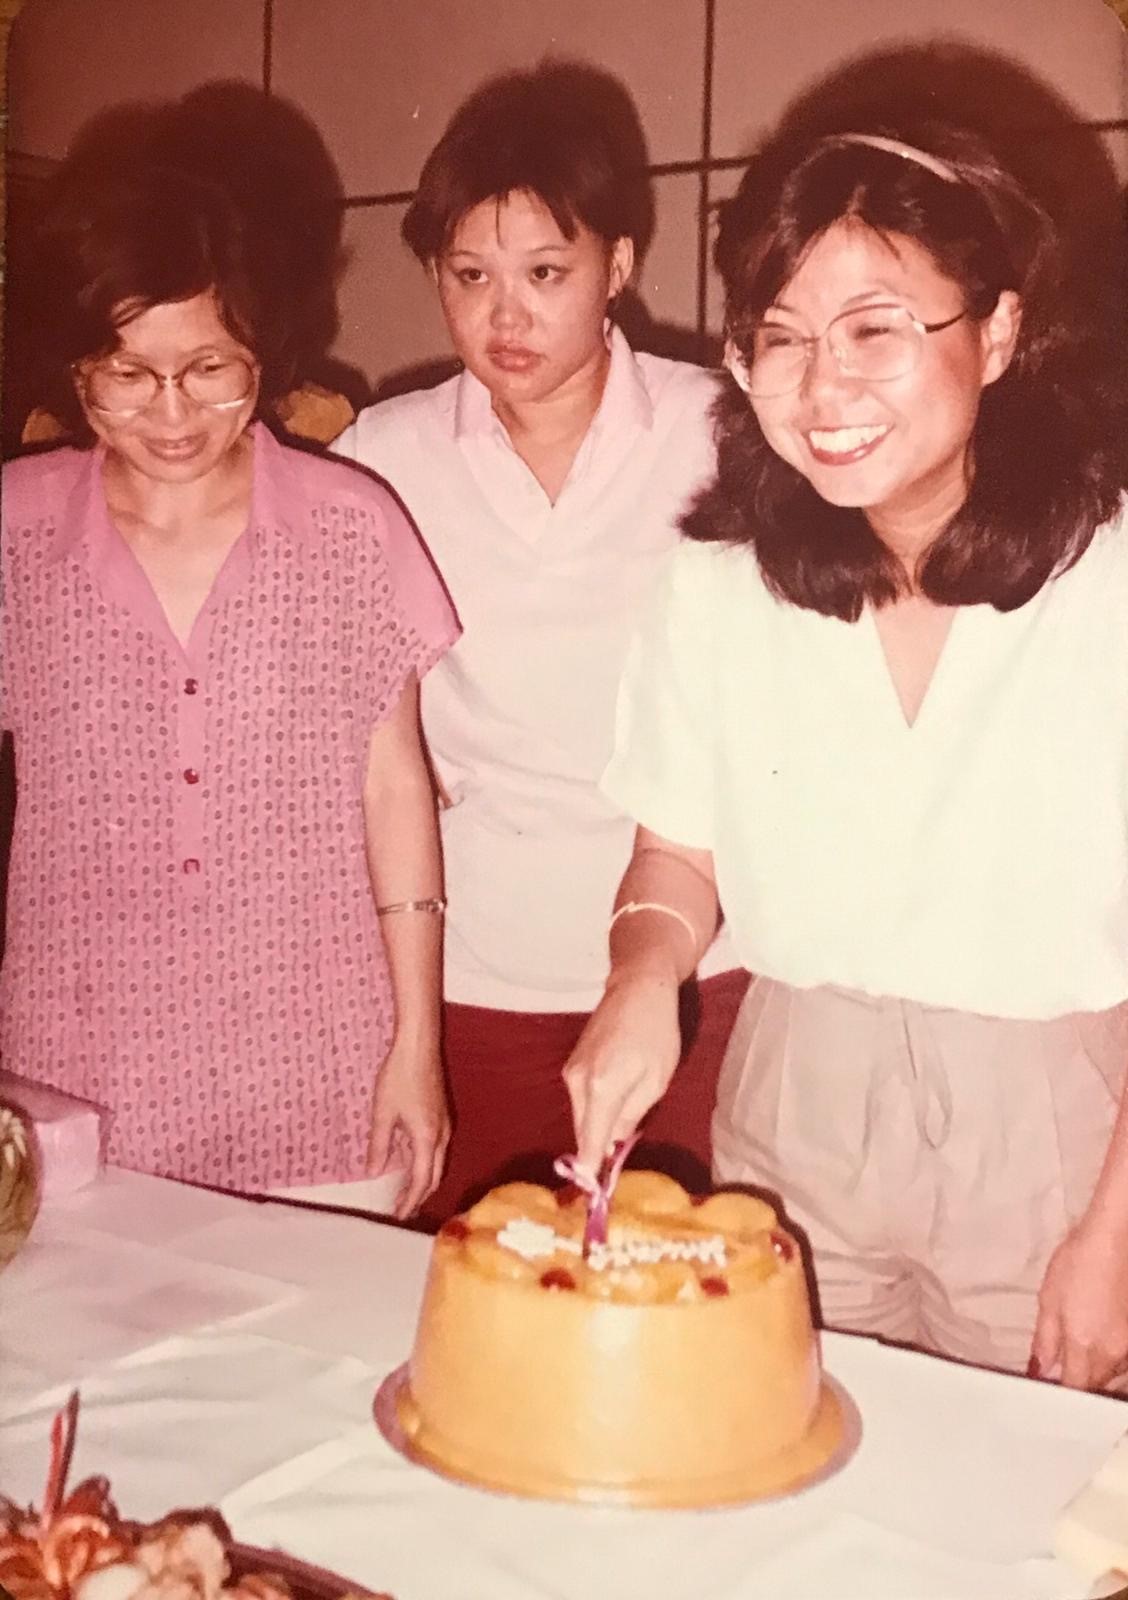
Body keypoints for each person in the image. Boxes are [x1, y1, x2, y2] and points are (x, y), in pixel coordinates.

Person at [564, 121, 1128, 1390]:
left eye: (875, 329)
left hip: (1057, 1126)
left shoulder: (1113, 578)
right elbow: (673, 848)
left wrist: (1118, 1232)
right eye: (781, 336)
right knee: (797, 1473)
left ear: (996, 334)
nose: (823, 389)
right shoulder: (718, 586)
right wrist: (641, 975)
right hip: (797, 1104)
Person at [0, 151, 459, 1216]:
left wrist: (418, 1046)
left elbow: (397, 791)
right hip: (81, 1076)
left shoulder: (352, 526)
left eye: (211, 367)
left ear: (265, 352)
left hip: (323, 1063)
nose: (170, 411)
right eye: (125, 372)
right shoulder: (17, 532)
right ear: (74, 369)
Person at [334, 61, 745, 1219]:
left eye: (546, 272)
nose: (505, 314)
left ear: (618, 265)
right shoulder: (384, 454)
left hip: (694, 970)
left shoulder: (723, 430)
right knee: (483, 1298)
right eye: (470, 275)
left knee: (683, 1300)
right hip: (479, 972)